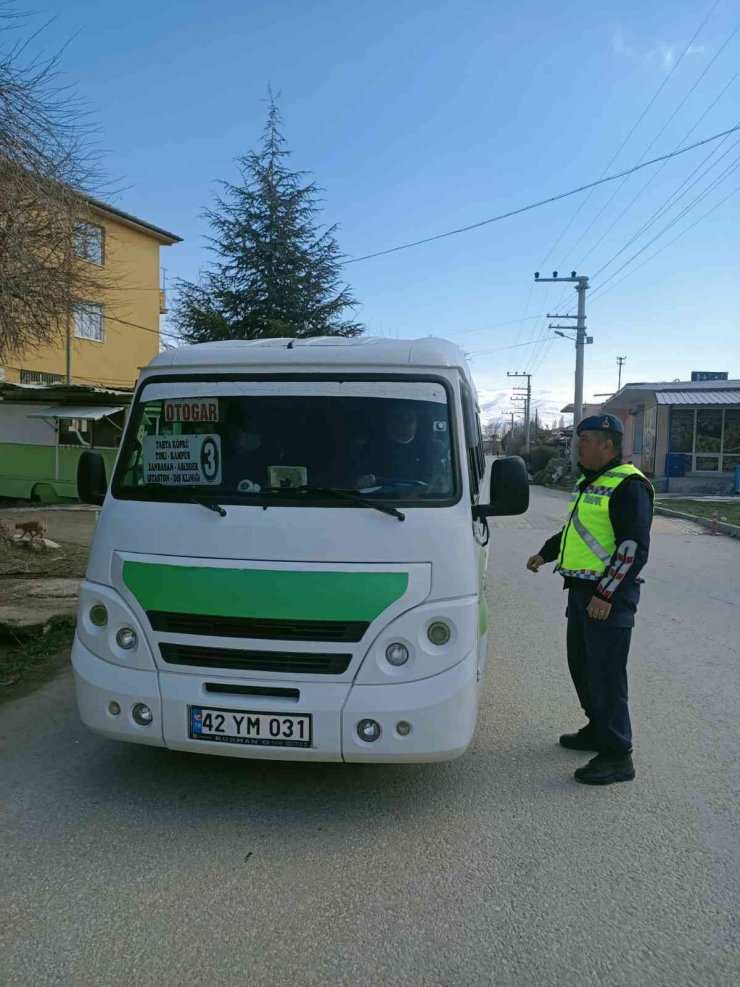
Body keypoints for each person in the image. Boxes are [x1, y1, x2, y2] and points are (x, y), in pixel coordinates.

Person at [526, 414, 654, 786]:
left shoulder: (629, 485)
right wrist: (546, 553)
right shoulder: (591, 482)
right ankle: (598, 729)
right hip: (582, 592)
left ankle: (617, 755)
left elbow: (632, 548)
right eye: (577, 439)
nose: (577, 446)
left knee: (607, 675)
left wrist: (606, 594)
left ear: (608, 445)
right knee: (582, 667)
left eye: (584, 440)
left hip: (608, 596)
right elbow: (576, 531)